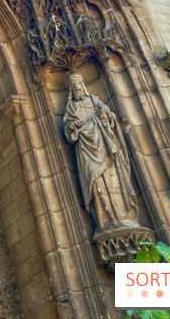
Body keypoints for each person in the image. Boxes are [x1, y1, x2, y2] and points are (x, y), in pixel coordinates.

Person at [63, 72, 138, 233]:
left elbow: (109, 117)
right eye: (73, 85)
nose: (77, 87)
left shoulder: (94, 101)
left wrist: (105, 116)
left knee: (113, 178)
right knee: (94, 181)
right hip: (86, 148)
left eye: (79, 84)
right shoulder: (71, 107)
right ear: (71, 89)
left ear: (83, 85)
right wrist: (73, 126)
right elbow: (68, 128)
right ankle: (104, 222)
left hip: (104, 146)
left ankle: (123, 217)